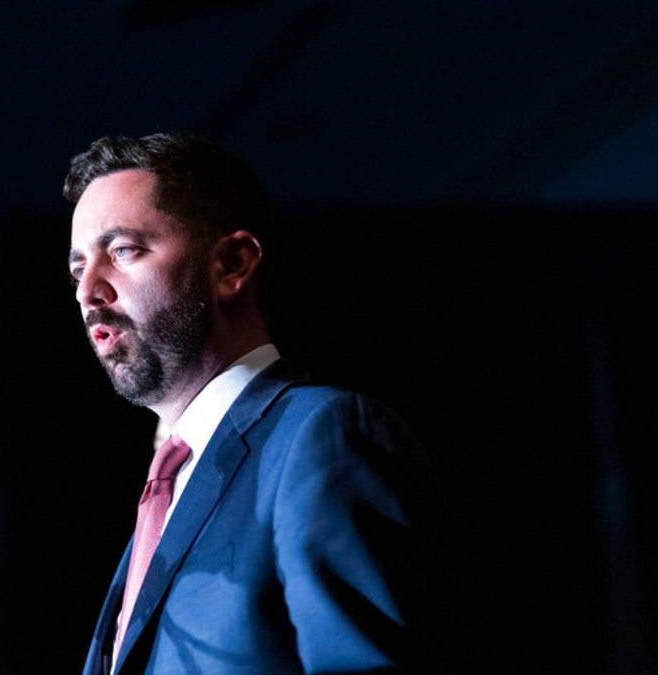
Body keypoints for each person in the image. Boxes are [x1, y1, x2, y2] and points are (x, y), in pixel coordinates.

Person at [64, 132, 449, 674]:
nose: (88, 291)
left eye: (123, 250)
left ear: (232, 265)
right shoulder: (170, 487)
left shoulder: (322, 437)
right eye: (79, 267)